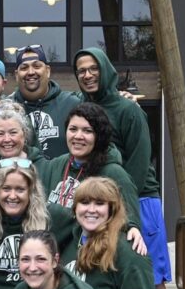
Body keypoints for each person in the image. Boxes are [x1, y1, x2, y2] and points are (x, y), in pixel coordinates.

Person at [74, 47, 175, 289]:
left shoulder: (128, 109)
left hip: (137, 197)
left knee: (153, 275)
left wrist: (123, 209)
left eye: (92, 69)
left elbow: (136, 161)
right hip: (100, 204)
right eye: (81, 70)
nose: (87, 75)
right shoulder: (82, 106)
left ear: (105, 69)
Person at [41, 103, 146, 254]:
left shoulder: (114, 172)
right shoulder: (58, 164)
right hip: (54, 255)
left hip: (92, 255)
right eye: (73, 129)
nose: (78, 136)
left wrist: (133, 228)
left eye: (87, 131)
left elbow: (129, 216)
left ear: (99, 136)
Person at [11, 45, 81, 159]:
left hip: (62, 175)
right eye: (24, 68)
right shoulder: (6, 109)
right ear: (16, 75)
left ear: (47, 71)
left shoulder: (71, 104)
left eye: (37, 66)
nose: (31, 72)